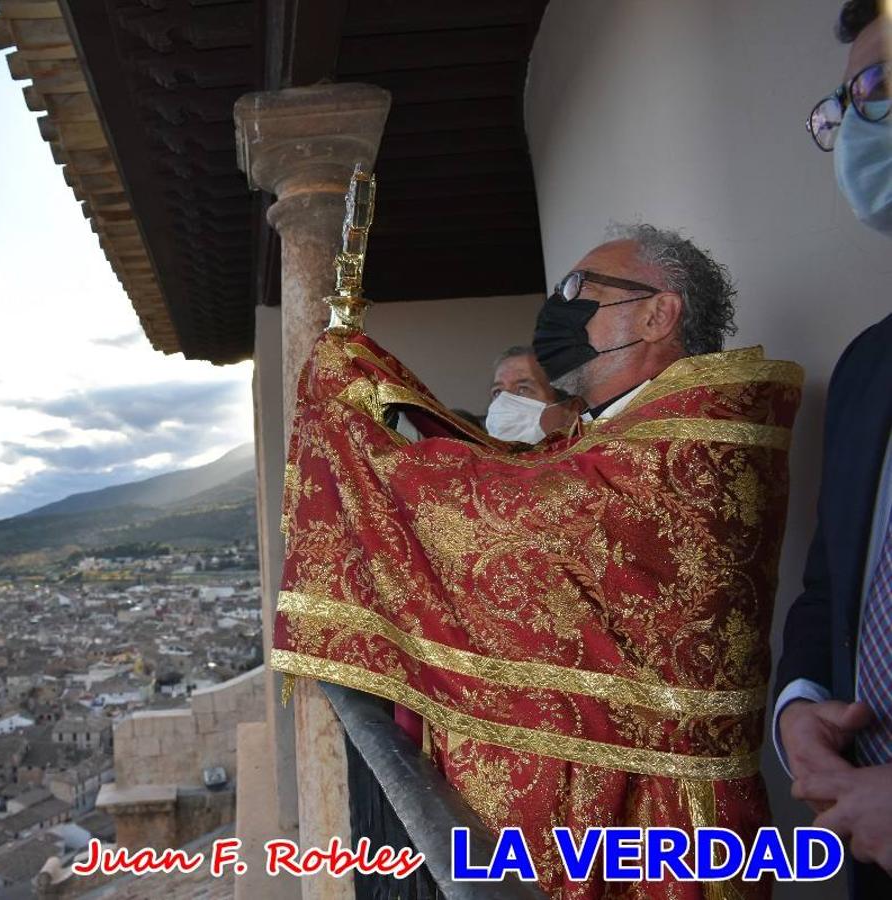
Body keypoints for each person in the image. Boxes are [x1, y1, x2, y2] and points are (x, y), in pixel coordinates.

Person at [273, 223, 800, 898]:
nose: (560, 310)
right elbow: (523, 475)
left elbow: (515, 515)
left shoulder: (699, 438)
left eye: (582, 290)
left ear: (659, 313)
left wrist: (355, 434)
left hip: (662, 833)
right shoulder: (608, 429)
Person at [773, 1, 892, 891]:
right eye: (846, 104)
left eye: (879, 85)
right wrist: (800, 710)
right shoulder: (866, 369)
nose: (856, 125)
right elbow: (830, 593)